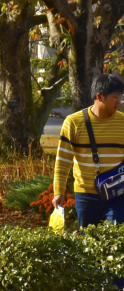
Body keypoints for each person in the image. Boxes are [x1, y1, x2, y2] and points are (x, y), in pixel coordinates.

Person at [53, 73, 124, 227]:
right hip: (86, 195)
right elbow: (63, 161)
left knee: (116, 238)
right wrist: (59, 192)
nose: (119, 101)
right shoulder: (73, 122)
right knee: (89, 241)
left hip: (118, 194)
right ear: (99, 97)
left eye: (120, 97)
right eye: (115, 97)